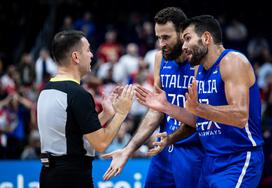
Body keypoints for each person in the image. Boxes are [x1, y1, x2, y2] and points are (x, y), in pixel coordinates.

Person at [135, 15, 264, 188]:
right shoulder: (200, 71)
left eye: (188, 39)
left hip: (238, 157)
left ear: (206, 38)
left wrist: (198, 108)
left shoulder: (232, 61)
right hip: (210, 160)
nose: (184, 46)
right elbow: (197, 120)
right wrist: (166, 107)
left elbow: (240, 116)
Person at [102, 7, 204, 188]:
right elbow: (157, 111)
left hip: (193, 150)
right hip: (164, 151)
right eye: (158, 37)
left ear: (183, 33)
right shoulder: (160, 59)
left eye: (166, 37)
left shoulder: (200, 63)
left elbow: (198, 117)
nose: (161, 43)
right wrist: (128, 149)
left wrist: (171, 137)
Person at [37, 30, 134, 188]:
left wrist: (107, 114)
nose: (91, 55)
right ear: (75, 57)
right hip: (72, 176)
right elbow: (101, 143)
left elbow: (71, 131)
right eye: (88, 50)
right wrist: (122, 112)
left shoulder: (46, 89)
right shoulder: (78, 94)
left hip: (49, 174)